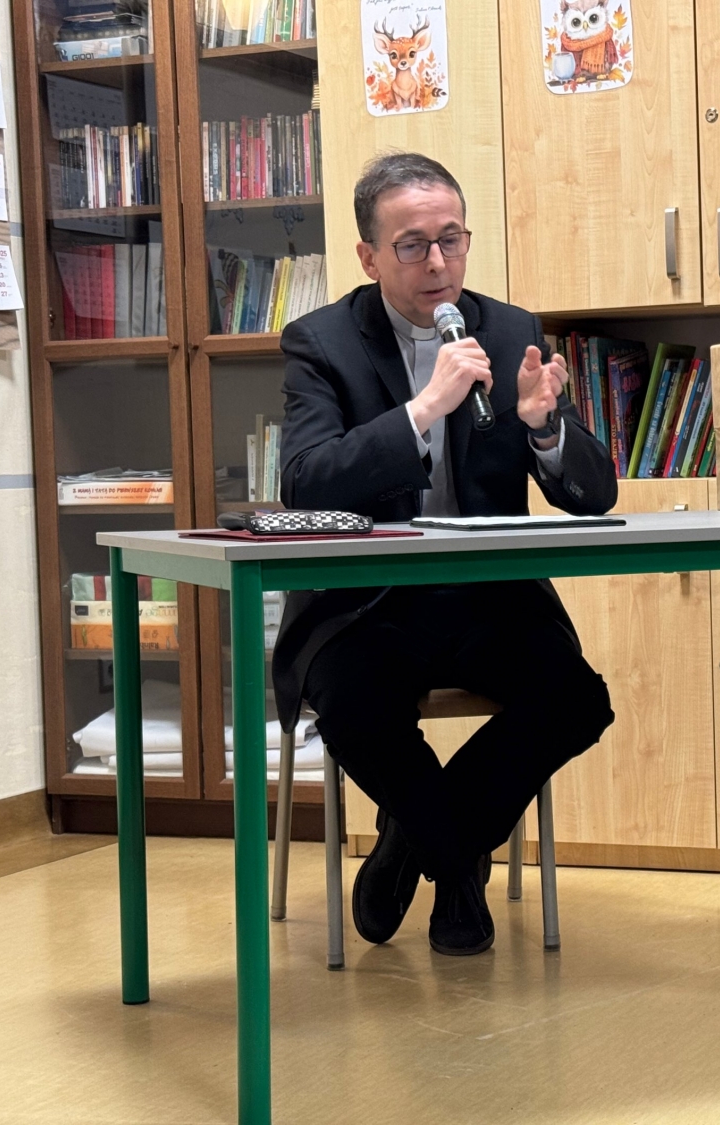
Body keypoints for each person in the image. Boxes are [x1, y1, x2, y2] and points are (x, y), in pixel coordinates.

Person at [273, 152, 617, 957]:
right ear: (369, 256)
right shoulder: (320, 342)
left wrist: (544, 428)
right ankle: (459, 870)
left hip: (489, 596)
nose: (437, 263)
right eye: (412, 245)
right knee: (356, 704)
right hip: (368, 602)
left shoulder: (510, 329)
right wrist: (424, 408)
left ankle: (414, 840)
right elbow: (305, 479)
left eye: (451, 240)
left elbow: (594, 493)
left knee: (575, 697)